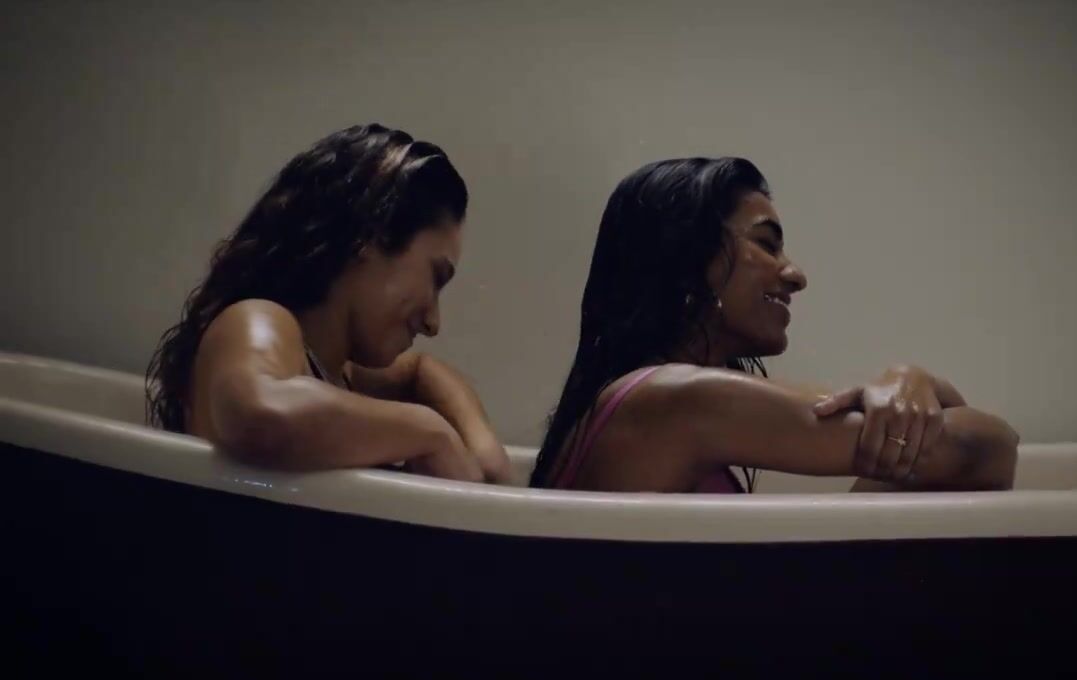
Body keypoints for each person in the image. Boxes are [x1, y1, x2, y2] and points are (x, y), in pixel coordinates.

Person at [532, 157, 1017, 493]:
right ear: (686, 259)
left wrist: (915, 381)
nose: (796, 275)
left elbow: (975, 456)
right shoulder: (677, 398)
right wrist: (916, 385)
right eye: (766, 244)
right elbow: (988, 450)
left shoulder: (641, 402)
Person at [147, 124, 510, 483]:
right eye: (436, 277)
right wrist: (431, 432)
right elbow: (259, 411)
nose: (433, 322)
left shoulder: (338, 370)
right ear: (370, 236)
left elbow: (420, 372)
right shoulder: (256, 319)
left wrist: (485, 454)